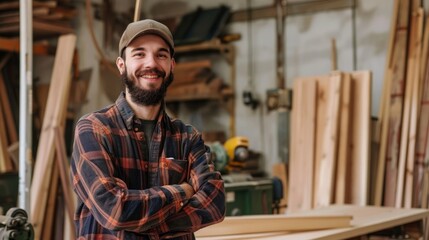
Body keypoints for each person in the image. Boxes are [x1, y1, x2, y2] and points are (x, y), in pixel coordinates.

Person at [70, 19, 226, 239]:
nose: (151, 63)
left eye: (161, 55)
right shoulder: (93, 129)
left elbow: (214, 204)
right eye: (139, 54)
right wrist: (183, 191)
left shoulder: (187, 137)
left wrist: (138, 223)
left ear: (171, 65)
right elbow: (115, 211)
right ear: (121, 65)